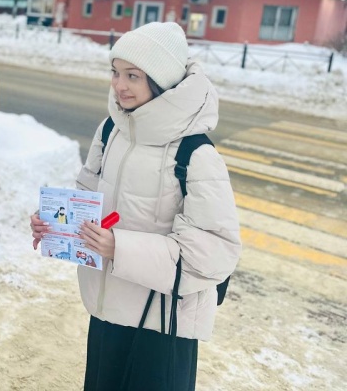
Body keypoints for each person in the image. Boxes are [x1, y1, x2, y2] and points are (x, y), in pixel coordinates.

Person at [30, 21, 241, 390]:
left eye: (133, 75)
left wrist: (119, 247)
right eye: (115, 72)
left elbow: (214, 253)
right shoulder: (111, 130)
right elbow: (87, 200)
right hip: (109, 311)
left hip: (162, 327)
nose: (119, 85)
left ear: (161, 83)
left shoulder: (196, 154)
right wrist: (55, 223)